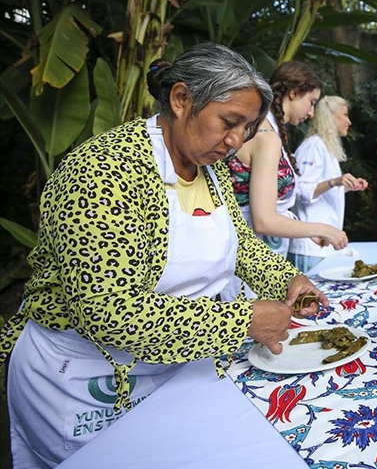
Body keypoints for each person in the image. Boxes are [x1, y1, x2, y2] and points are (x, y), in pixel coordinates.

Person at [0, 43, 327, 467]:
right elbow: (109, 311)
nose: (235, 142)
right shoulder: (103, 172)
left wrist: (286, 280)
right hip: (81, 379)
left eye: (247, 129)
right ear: (180, 99)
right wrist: (243, 319)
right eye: (229, 122)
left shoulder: (210, 169)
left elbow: (239, 244)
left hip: (170, 362)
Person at [222, 62, 348, 298]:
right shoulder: (265, 136)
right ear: (293, 93)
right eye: (311, 102)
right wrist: (324, 229)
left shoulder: (269, 130)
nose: (311, 113)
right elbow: (264, 220)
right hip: (250, 266)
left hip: (260, 259)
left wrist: (304, 230)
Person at [288, 96, 368, 271]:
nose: (349, 121)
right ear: (330, 116)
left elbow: (320, 191)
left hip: (322, 247)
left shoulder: (325, 147)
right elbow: (300, 191)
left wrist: (345, 186)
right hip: (309, 248)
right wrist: (334, 182)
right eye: (345, 115)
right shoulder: (313, 146)